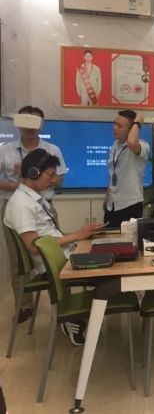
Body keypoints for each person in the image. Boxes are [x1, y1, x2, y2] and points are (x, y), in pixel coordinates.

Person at [4, 149, 104, 345]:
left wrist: (79, 235)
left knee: (107, 252)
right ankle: (69, 316)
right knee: (110, 271)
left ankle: (81, 313)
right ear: (33, 173)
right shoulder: (21, 204)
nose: (54, 180)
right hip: (54, 263)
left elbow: (50, 235)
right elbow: (34, 246)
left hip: (63, 255)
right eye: (50, 175)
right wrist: (77, 236)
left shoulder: (33, 199)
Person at [0, 106, 66, 324]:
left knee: (55, 251)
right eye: (25, 122)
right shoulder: (6, 150)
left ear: (41, 125)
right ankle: (24, 305)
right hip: (14, 204)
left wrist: (41, 178)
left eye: (35, 122)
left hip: (45, 205)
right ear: (18, 124)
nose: (30, 127)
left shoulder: (52, 149)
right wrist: (20, 184)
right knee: (18, 260)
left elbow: (60, 179)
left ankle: (62, 303)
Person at [103, 110, 149, 228]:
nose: (114, 128)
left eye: (120, 126)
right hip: (112, 204)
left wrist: (138, 122)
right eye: (114, 124)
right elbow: (114, 173)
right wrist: (107, 197)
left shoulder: (142, 146)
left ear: (131, 129)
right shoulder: (115, 145)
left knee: (127, 239)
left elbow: (131, 142)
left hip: (130, 205)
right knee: (109, 238)